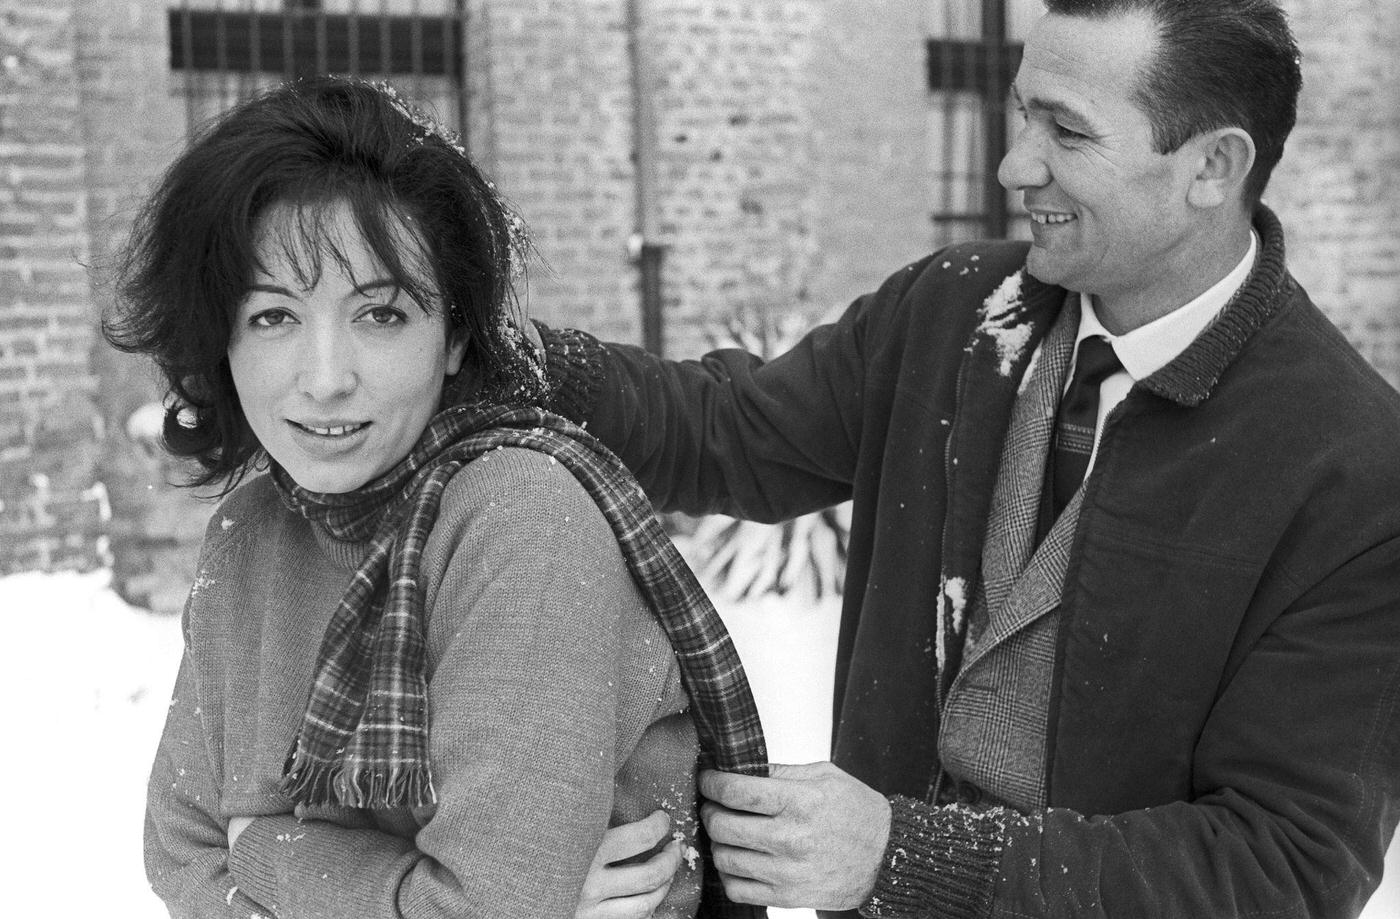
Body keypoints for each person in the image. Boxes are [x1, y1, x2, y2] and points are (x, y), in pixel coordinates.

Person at [536, 0, 1400, 916]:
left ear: (1213, 166)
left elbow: (1281, 868)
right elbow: (724, 429)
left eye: (1068, 131)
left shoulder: (1354, 468)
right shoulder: (949, 311)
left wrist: (905, 857)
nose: (1014, 165)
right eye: (1022, 111)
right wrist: (489, 347)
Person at [105, 77, 769, 919]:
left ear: (454, 334)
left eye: (380, 314)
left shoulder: (519, 519)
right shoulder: (249, 531)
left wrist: (263, 853)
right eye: (273, 316)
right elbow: (179, 854)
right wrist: (409, 893)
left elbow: (482, 907)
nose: (325, 378)